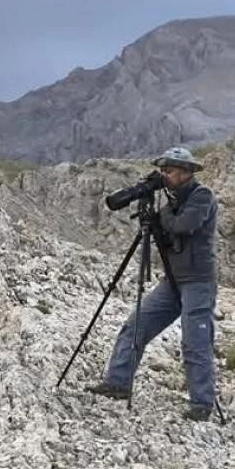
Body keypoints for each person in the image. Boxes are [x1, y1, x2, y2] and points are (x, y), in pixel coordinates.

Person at [86, 146, 220, 421]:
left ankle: (202, 404)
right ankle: (118, 383)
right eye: (162, 170)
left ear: (185, 173)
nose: (164, 175)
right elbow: (168, 232)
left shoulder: (201, 196)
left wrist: (160, 216)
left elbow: (184, 225)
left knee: (195, 341)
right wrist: (154, 218)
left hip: (198, 281)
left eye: (168, 171)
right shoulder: (169, 201)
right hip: (172, 281)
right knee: (135, 325)